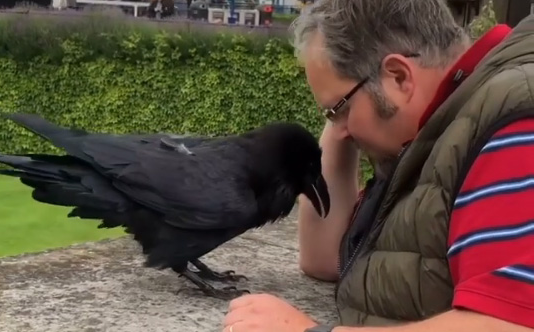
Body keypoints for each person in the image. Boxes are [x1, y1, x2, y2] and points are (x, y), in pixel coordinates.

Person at [221, 0, 534, 331]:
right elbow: (325, 259)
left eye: (338, 112)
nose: (339, 133)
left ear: (399, 77)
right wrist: (347, 105)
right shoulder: (432, 131)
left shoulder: (512, 124)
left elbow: (510, 322)